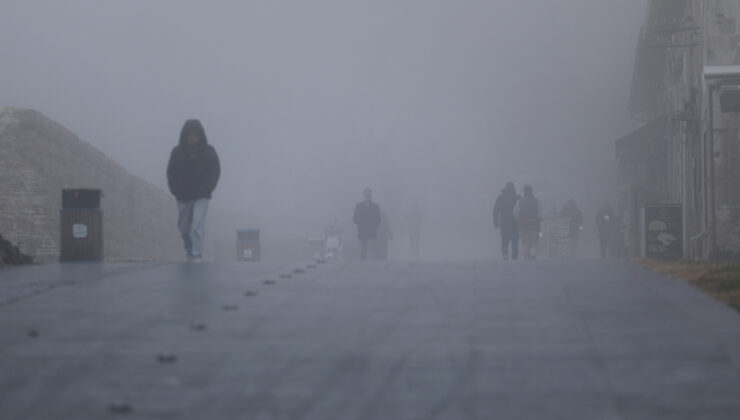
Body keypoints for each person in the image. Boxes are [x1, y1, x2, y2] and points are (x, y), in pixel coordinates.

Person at [167, 119, 220, 263]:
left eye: (195, 135)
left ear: (200, 136)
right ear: (185, 136)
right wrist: (175, 190)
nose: (193, 139)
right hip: (183, 196)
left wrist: (209, 187)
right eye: (190, 135)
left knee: (197, 225)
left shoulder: (209, 152)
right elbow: (171, 173)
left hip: (202, 195)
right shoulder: (177, 152)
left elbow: (215, 171)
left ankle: (197, 254)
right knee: (184, 228)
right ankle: (189, 250)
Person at [493, 182, 520, 260]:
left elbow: (495, 211)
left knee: (505, 241)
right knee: (515, 242)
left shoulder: (500, 198)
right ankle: (514, 257)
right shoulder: (518, 198)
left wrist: (496, 223)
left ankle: (505, 255)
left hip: (504, 223)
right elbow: (522, 212)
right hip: (515, 224)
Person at [353, 188, 381, 261]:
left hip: (372, 230)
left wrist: (375, 225)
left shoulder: (375, 206)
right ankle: (363, 263)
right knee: (363, 248)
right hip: (362, 230)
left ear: (371, 196)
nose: (368, 196)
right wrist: (360, 224)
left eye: (369, 195)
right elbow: (354, 218)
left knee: (373, 249)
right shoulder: (359, 206)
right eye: (366, 195)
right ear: (363, 196)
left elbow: (379, 218)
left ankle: (374, 263)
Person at [514, 185, 542, 259]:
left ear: (524, 192)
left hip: (523, 224)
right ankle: (532, 255)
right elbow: (540, 213)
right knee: (533, 241)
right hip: (534, 224)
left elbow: (516, 213)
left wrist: (518, 220)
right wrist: (538, 220)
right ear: (531, 191)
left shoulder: (520, 201)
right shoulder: (537, 201)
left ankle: (526, 255)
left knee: (524, 241)